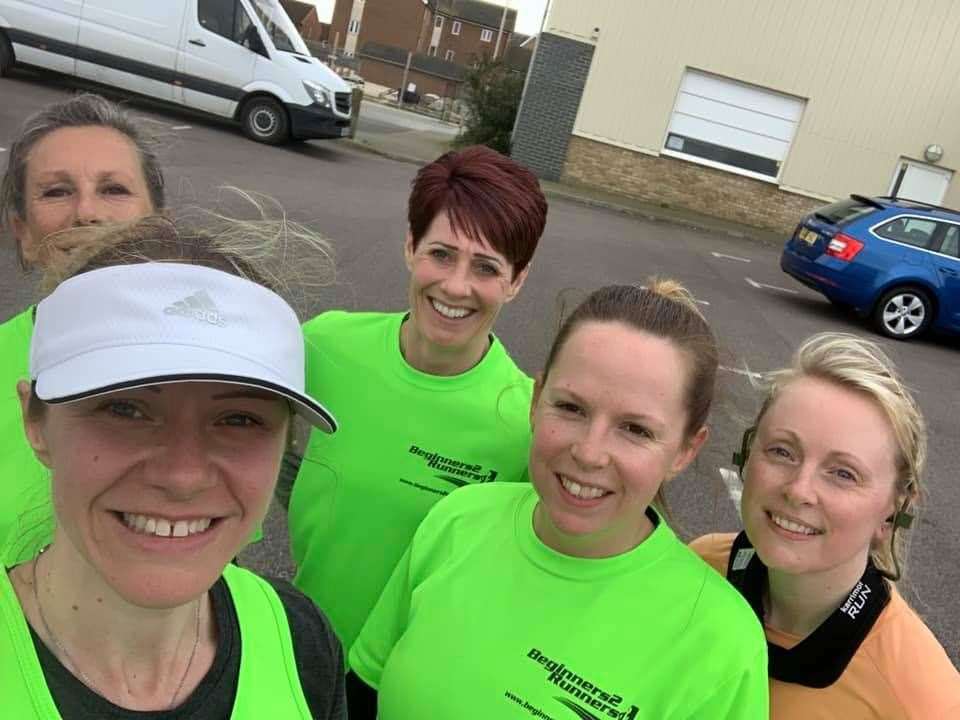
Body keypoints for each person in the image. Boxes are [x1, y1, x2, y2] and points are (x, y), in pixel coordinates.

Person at [348, 282, 769, 719]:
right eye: (571, 408)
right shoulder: (460, 517)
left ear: (685, 450)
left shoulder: (720, 643)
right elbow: (364, 688)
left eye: (636, 429)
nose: (589, 452)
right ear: (535, 400)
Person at [1, 216, 347, 718]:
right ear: (36, 424)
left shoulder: (299, 639)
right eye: (125, 408)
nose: (183, 476)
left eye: (239, 418)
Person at [287, 145, 549, 653]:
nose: (456, 286)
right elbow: (234, 432)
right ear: (411, 246)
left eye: (487, 268)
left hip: (411, 685)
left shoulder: (525, 424)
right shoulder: (325, 346)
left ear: (517, 280)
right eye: (441, 254)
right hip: (300, 648)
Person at [690, 333, 960, 719]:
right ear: (748, 454)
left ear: (893, 509)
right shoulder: (701, 567)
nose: (799, 491)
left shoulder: (923, 699)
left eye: (843, 474)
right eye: (782, 451)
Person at [0, 93, 165, 558]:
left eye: (114, 189)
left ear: (159, 224)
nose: (87, 212)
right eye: (56, 191)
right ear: (24, 233)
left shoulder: (212, 367)